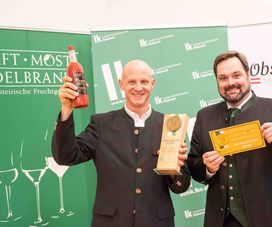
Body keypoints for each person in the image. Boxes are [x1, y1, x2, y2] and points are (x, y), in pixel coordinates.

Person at [187, 51, 272, 227]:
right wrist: (207, 169)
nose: (230, 83)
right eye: (223, 78)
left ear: (248, 75)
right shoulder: (204, 116)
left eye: (236, 75)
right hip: (222, 221)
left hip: (271, 219)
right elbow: (194, 165)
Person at [52, 59, 191, 227]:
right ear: (121, 84)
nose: (138, 88)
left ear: (152, 84)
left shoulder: (170, 124)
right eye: (131, 81)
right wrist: (66, 108)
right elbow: (65, 156)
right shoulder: (101, 124)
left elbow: (181, 187)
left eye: (144, 82)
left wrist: (174, 171)